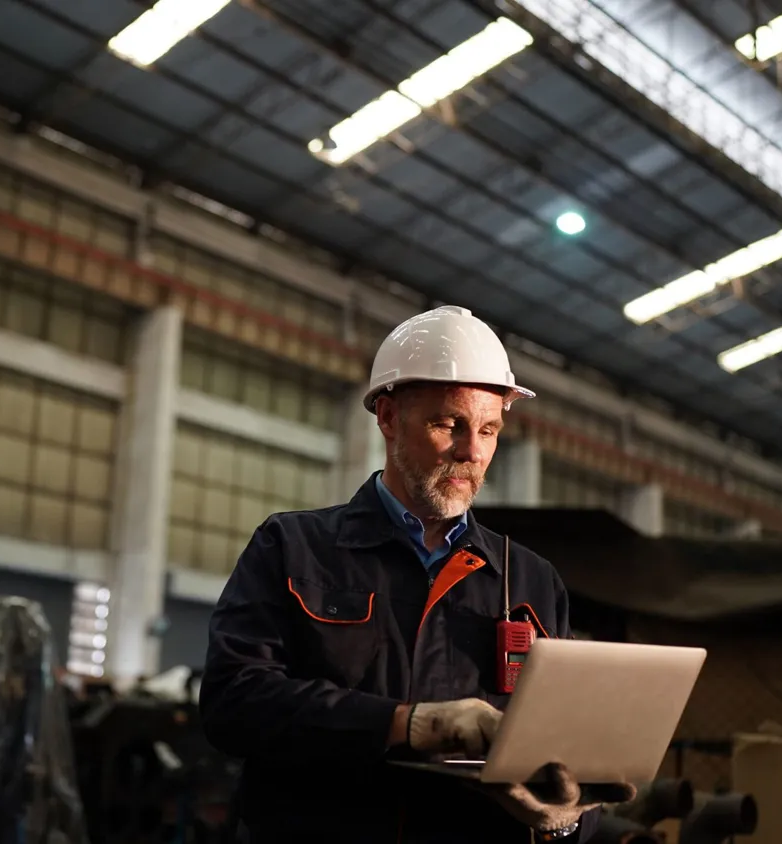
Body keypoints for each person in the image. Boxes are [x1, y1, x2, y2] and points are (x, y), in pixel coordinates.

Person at [198, 305, 635, 843]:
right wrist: (405, 724)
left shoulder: (529, 581)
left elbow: (571, 750)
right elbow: (233, 702)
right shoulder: (294, 548)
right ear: (387, 417)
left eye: (489, 429)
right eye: (448, 424)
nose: (472, 452)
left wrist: (567, 822)